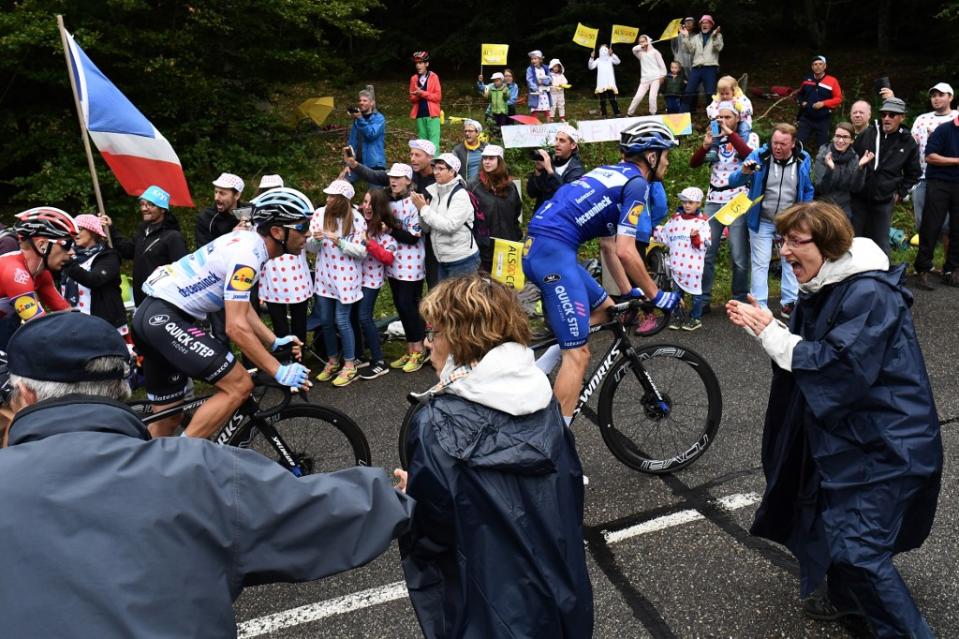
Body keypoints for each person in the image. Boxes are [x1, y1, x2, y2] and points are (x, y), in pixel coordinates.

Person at [0, 310, 413, 638]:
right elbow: (325, 514)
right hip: (184, 425)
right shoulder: (203, 472)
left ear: (26, 394)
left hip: (164, 325)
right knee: (236, 388)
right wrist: (399, 492)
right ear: (121, 389)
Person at [725, 201, 942, 639]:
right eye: (782, 240)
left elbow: (839, 365)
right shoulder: (823, 285)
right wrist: (773, 330)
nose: (784, 251)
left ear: (828, 245)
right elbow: (803, 347)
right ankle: (851, 601)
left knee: (859, 549)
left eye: (795, 241)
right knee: (829, 517)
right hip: (853, 436)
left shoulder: (869, 293)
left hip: (888, 443)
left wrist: (772, 335)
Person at [395, 275, 593, 639]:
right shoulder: (543, 397)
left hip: (489, 613)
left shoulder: (435, 423)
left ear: (457, 339)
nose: (428, 344)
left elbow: (431, 536)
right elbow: (568, 493)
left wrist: (415, 495)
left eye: (434, 332)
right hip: (564, 596)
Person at [522, 120, 681, 422]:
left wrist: (627, 291)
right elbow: (626, 250)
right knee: (578, 354)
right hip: (553, 254)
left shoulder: (611, 172)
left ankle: (534, 369)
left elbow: (609, 247)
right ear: (651, 156)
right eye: (666, 154)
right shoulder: (637, 184)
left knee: (610, 311)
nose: (668, 161)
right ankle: (554, 446)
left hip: (546, 249)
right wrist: (656, 295)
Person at [132, 187, 314, 438]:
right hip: (166, 318)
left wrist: (273, 341)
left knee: (168, 418)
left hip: (152, 316)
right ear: (277, 231)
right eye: (303, 227)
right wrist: (278, 370)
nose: (309, 234)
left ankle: (151, 473)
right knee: (239, 385)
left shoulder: (250, 246)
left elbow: (240, 305)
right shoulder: (248, 256)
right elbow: (235, 327)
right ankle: (181, 461)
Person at [729, 123, 815, 319]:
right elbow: (733, 181)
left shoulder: (803, 158)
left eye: (783, 144)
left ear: (793, 144)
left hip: (791, 220)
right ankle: (759, 306)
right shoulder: (759, 156)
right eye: (775, 142)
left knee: (791, 259)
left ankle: (789, 303)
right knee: (761, 261)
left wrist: (805, 211)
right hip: (762, 218)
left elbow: (808, 187)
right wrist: (744, 172)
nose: (777, 147)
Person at [689, 101, 759, 318]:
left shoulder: (750, 137)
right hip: (714, 199)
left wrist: (731, 134)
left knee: (738, 254)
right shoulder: (715, 139)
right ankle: (704, 299)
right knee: (707, 252)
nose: (723, 121)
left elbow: (751, 157)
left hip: (737, 200)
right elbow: (694, 163)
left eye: (728, 117)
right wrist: (705, 145)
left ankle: (739, 299)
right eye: (720, 118)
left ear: (738, 119)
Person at [346, 139, 438, 287]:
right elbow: (376, 176)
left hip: (433, 239)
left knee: (434, 283)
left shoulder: (437, 178)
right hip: (405, 244)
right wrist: (354, 165)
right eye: (411, 154)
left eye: (417, 155)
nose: (412, 158)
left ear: (429, 158)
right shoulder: (406, 172)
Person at [308, 180, 367, 388]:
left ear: (342, 201)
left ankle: (349, 364)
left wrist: (340, 242)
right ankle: (332, 360)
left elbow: (361, 252)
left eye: (332, 196)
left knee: (342, 320)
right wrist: (314, 240)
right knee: (325, 320)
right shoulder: (319, 214)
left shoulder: (357, 219)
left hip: (347, 277)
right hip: (324, 276)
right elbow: (311, 248)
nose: (327, 199)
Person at [850, 97, 921, 255]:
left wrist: (900, 193)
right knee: (854, 242)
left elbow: (914, 173)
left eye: (892, 115)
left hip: (884, 200)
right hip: (859, 198)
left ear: (902, 117)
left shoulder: (907, 141)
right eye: (884, 114)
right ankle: (853, 278)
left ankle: (882, 277)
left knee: (881, 244)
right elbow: (851, 158)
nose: (886, 118)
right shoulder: (869, 133)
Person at [0, 207, 75, 349]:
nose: (72, 252)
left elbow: (66, 313)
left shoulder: (41, 274)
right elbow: (39, 329)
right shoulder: (16, 274)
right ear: (42, 245)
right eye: (68, 245)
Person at [107, 185, 189, 308]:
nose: (144, 208)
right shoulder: (142, 232)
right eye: (142, 204)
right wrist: (111, 229)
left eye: (150, 204)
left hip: (164, 301)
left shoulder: (173, 237)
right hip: (141, 299)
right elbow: (128, 251)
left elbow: (182, 271)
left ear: (162, 209)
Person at [257, 176, 313, 349]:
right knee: (279, 325)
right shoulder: (259, 219)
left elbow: (308, 240)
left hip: (297, 280)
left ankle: (300, 358)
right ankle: (285, 358)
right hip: (272, 281)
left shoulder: (294, 215)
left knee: (299, 324)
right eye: (267, 192)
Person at [383, 163, 428, 373]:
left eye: (399, 177)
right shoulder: (388, 200)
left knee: (408, 305)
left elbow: (412, 236)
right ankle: (410, 349)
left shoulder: (414, 201)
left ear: (408, 180)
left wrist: (390, 229)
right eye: (391, 177)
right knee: (400, 306)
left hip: (412, 262)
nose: (393, 181)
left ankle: (419, 349)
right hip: (393, 260)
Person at [412, 153, 481, 280]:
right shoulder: (434, 192)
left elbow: (450, 226)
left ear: (452, 171)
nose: (436, 172)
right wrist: (421, 211)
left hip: (462, 260)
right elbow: (427, 229)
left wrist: (424, 208)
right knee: (446, 300)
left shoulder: (460, 195)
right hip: (442, 259)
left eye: (441, 169)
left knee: (462, 299)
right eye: (435, 168)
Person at [910, 82, 957, 263]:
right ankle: (925, 265)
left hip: (951, 180)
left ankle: (949, 265)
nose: (936, 98)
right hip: (922, 177)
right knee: (924, 223)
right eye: (933, 95)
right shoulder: (922, 119)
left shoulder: (956, 118)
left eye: (941, 95)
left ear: (950, 97)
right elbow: (912, 145)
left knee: (949, 226)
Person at [653, 187, 711, 331]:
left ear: (698, 203)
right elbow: (665, 235)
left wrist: (695, 237)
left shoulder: (702, 222)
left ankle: (695, 318)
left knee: (696, 294)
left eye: (691, 202)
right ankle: (678, 316)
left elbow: (704, 244)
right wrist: (652, 228)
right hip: (677, 265)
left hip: (693, 267)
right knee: (676, 293)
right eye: (684, 201)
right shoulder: (675, 220)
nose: (687, 205)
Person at [59, 214, 127, 335]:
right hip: (74, 321)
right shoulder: (71, 254)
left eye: (80, 229)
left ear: (93, 232)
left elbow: (94, 280)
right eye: (73, 230)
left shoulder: (108, 256)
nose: (75, 233)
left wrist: (68, 263)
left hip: (103, 322)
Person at [914, 114, 959, 289]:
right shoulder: (944, 129)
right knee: (931, 226)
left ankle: (951, 269)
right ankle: (922, 269)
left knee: (957, 228)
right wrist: (957, 161)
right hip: (939, 183)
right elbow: (930, 156)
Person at [356, 188, 397, 379]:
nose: (367, 207)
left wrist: (369, 243)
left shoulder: (384, 231)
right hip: (352, 278)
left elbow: (388, 258)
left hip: (371, 280)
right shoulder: (358, 222)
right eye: (364, 202)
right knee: (354, 317)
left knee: (364, 317)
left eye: (371, 203)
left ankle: (379, 361)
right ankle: (359, 355)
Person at [467, 144, 522, 271]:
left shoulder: (510, 186)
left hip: (508, 244)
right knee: (485, 286)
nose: (487, 161)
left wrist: (515, 234)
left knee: (506, 288)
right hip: (485, 247)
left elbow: (516, 211)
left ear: (500, 161)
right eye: (485, 158)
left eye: (491, 158)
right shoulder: (473, 185)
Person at [526, 124, 586, 212]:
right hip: (543, 217)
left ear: (572, 145)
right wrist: (538, 172)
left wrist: (550, 171)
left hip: (561, 219)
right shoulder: (550, 161)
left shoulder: (577, 169)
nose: (557, 144)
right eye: (556, 139)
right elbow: (532, 193)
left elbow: (566, 196)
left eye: (562, 141)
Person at [795, 55, 843, 152]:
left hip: (823, 119)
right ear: (812, 67)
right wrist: (801, 102)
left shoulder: (832, 81)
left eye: (820, 64)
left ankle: (821, 165)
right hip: (806, 118)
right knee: (798, 144)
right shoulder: (807, 80)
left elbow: (838, 99)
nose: (818, 66)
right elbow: (799, 95)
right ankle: (797, 163)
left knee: (823, 147)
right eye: (815, 64)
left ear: (825, 66)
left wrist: (824, 103)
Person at [703, 75, 753, 162]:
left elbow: (749, 110)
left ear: (734, 91)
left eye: (727, 93)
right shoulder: (718, 100)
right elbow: (709, 109)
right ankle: (713, 150)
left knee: (744, 129)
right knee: (714, 126)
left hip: (741, 120)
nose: (724, 96)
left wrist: (740, 107)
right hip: (722, 120)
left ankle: (742, 149)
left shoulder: (740, 98)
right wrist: (716, 115)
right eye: (722, 94)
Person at [680, 15, 723, 112]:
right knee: (688, 92)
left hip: (710, 68)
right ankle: (682, 117)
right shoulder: (696, 37)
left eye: (707, 23)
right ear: (700, 25)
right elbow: (689, 50)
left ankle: (713, 121)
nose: (704, 24)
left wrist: (715, 36)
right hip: (696, 68)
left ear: (711, 25)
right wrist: (686, 37)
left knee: (710, 94)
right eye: (703, 23)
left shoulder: (717, 35)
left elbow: (719, 48)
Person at [195, 172, 245, 249]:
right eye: (216, 192)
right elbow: (205, 253)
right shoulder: (205, 218)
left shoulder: (247, 210)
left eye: (222, 193)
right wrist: (232, 236)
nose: (216, 198)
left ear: (237, 195)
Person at [346, 85, 387, 179]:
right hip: (356, 163)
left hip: (374, 163)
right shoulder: (357, 120)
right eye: (360, 100)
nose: (361, 103)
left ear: (372, 103)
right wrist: (347, 164)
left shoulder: (379, 118)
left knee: (376, 192)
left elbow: (371, 135)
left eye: (365, 100)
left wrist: (360, 118)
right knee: (341, 182)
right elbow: (351, 143)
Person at [627, 34, 667, 116]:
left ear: (648, 41)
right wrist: (642, 46)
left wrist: (662, 76)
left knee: (652, 97)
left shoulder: (655, 52)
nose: (641, 43)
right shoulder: (640, 54)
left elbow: (662, 66)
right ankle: (629, 113)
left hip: (656, 77)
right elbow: (633, 49)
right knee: (638, 97)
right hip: (644, 79)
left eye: (643, 41)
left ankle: (653, 113)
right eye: (640, 42)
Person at [409, 51, 442, 150]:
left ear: (426, 64)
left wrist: (422, 93)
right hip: (420, 114)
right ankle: (424, 165)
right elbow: (412, 99)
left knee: (433, 143)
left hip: (433, 115)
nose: (418, 66)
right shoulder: (414, 79)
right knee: (423, 144)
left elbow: (438, 97)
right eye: (416, 63)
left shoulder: (434, 77)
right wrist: (417, 95)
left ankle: (435, 165)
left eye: (421, 63)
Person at [588, 44, 621, 117]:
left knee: (612, 99)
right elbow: (591, 67)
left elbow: (618, 61)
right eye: (602, 49)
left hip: (610, 83)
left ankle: (617, 113)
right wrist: (591, 57)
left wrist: (612, 54)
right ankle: (604, 114)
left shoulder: (610, 58)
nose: (603, 51)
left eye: (605, 49)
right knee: (602, 100)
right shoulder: (598, 60)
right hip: (601, 84)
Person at [525, 49, 552, 122]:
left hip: (544, 91)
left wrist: (544, 81)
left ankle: (549, 122)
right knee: (534, 108)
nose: (533, 60)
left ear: (540, 59)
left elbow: (550, 78)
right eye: (532, 59)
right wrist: (535, 86)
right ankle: (535, 123)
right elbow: (529, 79)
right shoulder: (530, 69)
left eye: (535, 58)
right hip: (535, 93)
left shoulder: (546, 68)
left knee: (547, 108)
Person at [548, 58, 569, 122]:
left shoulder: (561, 75)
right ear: (551, 67)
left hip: (560, 93)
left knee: (561, 104)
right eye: (554, 66)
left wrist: (562, 84)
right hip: (553, 93)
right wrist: (553, 85)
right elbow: (549, 83)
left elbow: (565, 81)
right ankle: (551, 118)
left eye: (557, 66)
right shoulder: (550, 75)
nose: (556, 68)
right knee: (552, 105)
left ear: (560, 67)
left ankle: (562, 117)